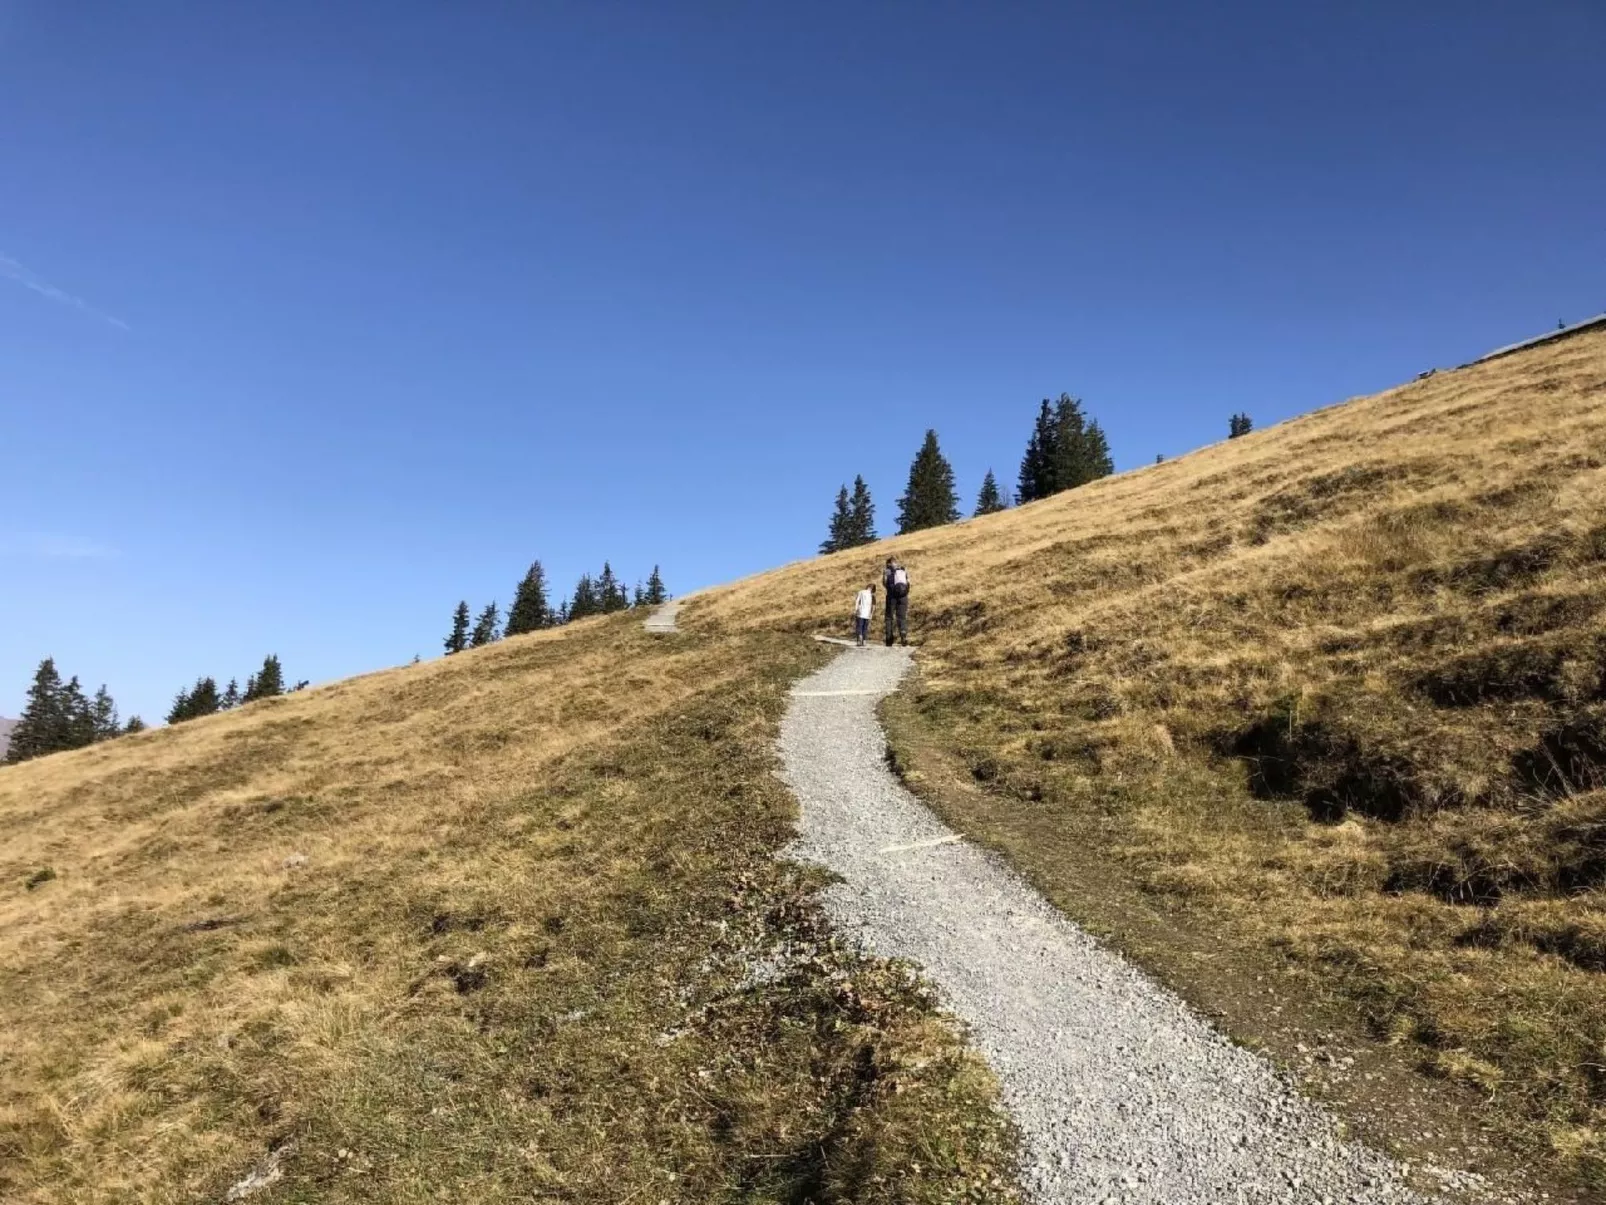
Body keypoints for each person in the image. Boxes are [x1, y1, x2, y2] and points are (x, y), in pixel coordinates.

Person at [883, 557, 910, 646]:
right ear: (896, 562)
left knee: (889, 617)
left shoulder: (887, 571)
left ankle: (889, 639)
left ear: (889, 563)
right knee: (902, 617)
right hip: (903, 597)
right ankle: (903, 634)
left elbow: (884, 582)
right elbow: (908, 582)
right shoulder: (903, 570)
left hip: (891, 597)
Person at [852, 582, 876, 647]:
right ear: (873, 589)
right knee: (865, 627)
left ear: (867, 587)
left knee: (859, 626)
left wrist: (856, 609)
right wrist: (871, 614)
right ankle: (864, 641)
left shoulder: (861, 592)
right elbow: (873, 606)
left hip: (860, 612)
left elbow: (857, 601)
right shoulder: (872, 595)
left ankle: (859, 638)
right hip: (867, 613)